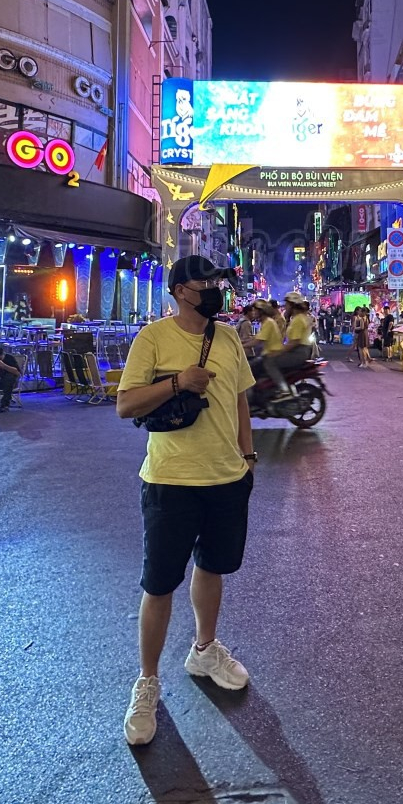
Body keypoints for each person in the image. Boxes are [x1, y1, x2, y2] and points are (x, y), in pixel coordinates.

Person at [115, 255, 256, 747]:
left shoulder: (229, 338)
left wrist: (248, 457)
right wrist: (177, 382)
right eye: (204, 282)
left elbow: (239, 400)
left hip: (226, 478)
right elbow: (125, 404)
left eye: (217, 282)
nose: (214, 289)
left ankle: (204, 649)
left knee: (212, 568)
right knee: (159, 584)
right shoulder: (153, 337)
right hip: (169, 480)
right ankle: (147, 682)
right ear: (180, 290)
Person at [267, 293, 315, 399]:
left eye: (287, 304)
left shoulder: (298, 320)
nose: (285, 307)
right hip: (301, 351)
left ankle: (284, 389)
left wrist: (279, 351)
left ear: (293, 305)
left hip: (298, 352)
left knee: (269, 362)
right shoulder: (300, 318)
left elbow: (294, 342)